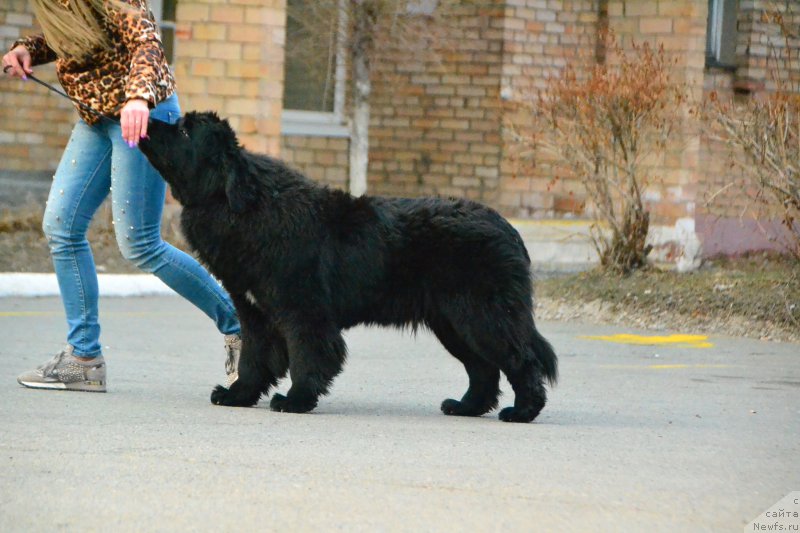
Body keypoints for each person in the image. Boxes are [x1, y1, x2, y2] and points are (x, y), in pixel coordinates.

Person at [2, 0, 242, 392]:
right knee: (61, 227)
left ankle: (242, 326)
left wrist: (138, 97)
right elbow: (84, 32)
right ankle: (84, 358)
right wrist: (31, 49)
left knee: (140, 244)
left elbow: (145, 38)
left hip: (144, 115)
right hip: (97, 118)